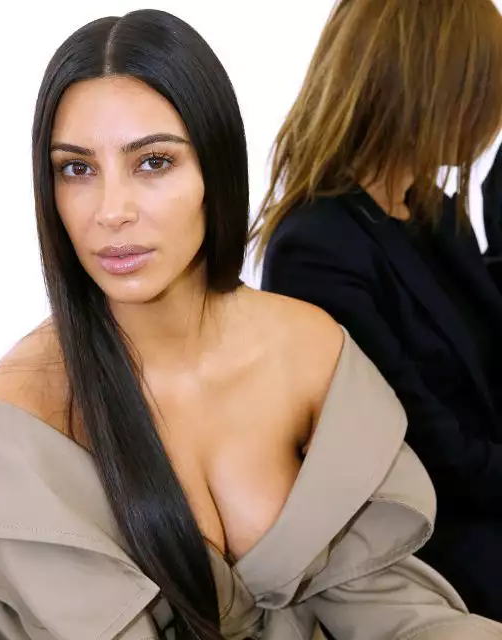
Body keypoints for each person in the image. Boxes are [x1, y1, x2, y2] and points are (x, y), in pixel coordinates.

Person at [0, 9, 502, 639]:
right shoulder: (24, 415)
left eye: (153, 162)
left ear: (216, 167)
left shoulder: (308, 347)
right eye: (77, 168)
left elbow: (393, 611)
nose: (111, 210)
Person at [256, 0, 502, 623]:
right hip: (432, 544)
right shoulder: (317, 249)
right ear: (430, 88)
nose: (493, 113)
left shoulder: (430, 209)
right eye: (483, 89)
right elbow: (429, 451)